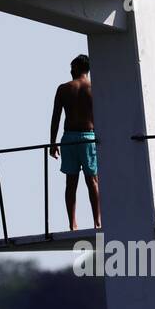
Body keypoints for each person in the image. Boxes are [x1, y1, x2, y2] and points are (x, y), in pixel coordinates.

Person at [50, 54, 100, 229]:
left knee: (71, 182)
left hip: (69, 138)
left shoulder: (64, 89)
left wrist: (52, 142)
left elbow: (55, 117)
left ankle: (73, 223)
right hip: (89, 137)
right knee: (92, 180)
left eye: (72, 67)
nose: (70, 70)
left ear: (79, 68)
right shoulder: (95, 88)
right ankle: (97, 221)